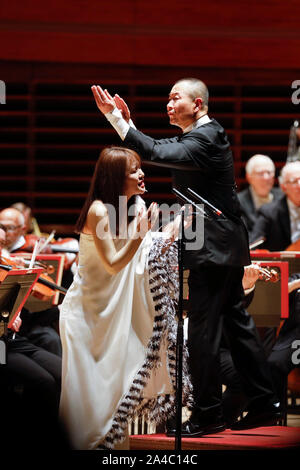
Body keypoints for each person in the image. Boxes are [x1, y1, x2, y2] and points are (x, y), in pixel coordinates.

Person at [91, 78, 280, 436]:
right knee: (237, 326)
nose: (168, 103)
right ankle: (263, 402)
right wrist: (129, 127)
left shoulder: (205, 137)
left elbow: (156, 153)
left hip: (213, 245)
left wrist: (117, 119)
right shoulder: (199, 136)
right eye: (167, 97)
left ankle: (208, 414)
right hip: (222, 243)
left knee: (204, 332)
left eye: (175, 98)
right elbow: (158, 146)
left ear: (198, 104)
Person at [59, 146, 192, 450]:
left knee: (116, 395)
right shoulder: (98, 211)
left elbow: (143, 252)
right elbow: (114, 262)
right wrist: (141, 231)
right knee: (88, 404)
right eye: (133, 170)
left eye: (140, 167)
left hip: (113, 315)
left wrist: (172, 229)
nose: (141, 174)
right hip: (87, 316)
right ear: (115, 176)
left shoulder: (134, 206)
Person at [221, 269, 300, 426]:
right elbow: (278, 294)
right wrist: (296, 284)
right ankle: (269, 414)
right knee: (272, 365)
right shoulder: (297, 276)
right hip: (293, 335)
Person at [0, 207, 62, 356]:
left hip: (30, 319)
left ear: (23, 229)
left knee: (51, 338)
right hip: (9, 326)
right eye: (2, 226)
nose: (6, 232)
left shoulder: (26, 250)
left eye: (10, 228)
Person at [250, 161, 300, 251]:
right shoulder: (269, 212)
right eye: (294, 181)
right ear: (284, 187)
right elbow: (253, 245)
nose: (299, 185)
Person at [238, 154, 282, 234]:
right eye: (260, 173)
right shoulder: (238, 202)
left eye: (269, 172)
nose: (266, 177)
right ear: (248, 177)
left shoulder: (283, 196)